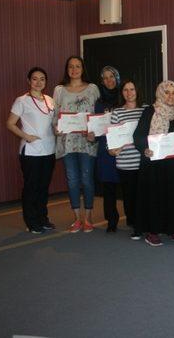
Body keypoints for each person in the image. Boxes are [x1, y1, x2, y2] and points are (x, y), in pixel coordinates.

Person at [133, 80, 174, 246]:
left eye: (173, 92)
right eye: (167, 92)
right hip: (153, 162)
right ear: (160, 93)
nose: (170, 96)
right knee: (154, 196)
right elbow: (138, 135)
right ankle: (153, 231)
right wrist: (144, 148)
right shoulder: (150, 110)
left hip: (172, 162)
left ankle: (173, 227)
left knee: (173, 194)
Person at [53, 56, 100, 233]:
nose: (74, 69)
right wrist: (56, 128)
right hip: (68, 143)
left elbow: (98, 112)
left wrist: (96, 131)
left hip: (87, 142)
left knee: (87, 179)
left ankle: (87, 218)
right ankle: (76, 219)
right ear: (67, 69)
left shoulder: (93, 88)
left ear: (82, 68)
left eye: (78, 66)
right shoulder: (59, 90)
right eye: (71, 67)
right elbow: (55, 114)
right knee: (72, 180)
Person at [6, 67, 56, 234]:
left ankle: (43, 218)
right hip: (31, 152)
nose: (39, 82)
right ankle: (31, 222)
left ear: (46, 82)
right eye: (35, 79)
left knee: (43, 187)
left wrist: (58, 130)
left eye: (42, 79)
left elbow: (52, 123)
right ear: (29, 81)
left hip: (49, 150)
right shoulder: (22, 100)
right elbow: (10, 123)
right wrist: (26, 136)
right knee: (31, 187)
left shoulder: (50, 100)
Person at [109, 80, 146, 240]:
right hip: (125, 161)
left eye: (132, 89)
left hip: (143, 161)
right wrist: (113, 149)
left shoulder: (145, 110)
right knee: (129, 196)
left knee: (143, 195)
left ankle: (143, 224)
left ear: (137, 91)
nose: (129, 93)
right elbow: (112, 139)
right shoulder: (117, 112)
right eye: (125, 90)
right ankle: (134, 224)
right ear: (121, 92)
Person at [90, 66, 121, 233]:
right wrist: (92, 135)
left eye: (112, 77)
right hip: (105, 148)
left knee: (129, 184)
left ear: (117, 78)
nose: (109, 80)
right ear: (102, 82)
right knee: (109, 187)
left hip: (124, 148)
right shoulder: (99, 103)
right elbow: (96, 127)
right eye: (105, 78)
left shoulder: (125, 97)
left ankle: (133, 219)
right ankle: (112, 220)